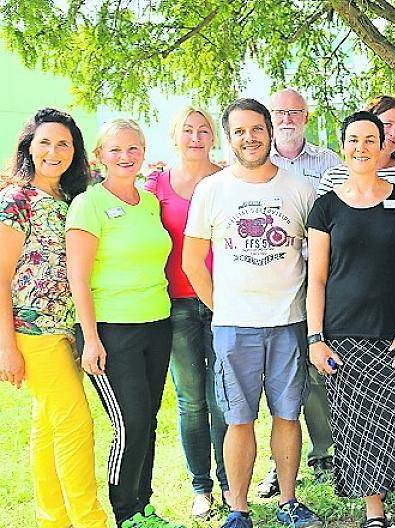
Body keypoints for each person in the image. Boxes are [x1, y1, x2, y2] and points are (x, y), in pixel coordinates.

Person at [182, 98, 321, 528]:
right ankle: (239, 509)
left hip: (288, 323)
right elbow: (192, 260)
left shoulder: (298, 188)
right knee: (238, 419)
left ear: (269, 132)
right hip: (234, 327)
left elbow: (317, 259)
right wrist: (220, 308)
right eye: (239, 131)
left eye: (257, 129)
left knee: (287, 414)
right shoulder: (213, 189)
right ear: (230, 136)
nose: (249, 138)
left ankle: (288, 501)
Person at [307, 110, 395, 528]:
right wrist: (316, 338)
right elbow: (316, 280)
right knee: (360, 424)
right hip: (344, 334)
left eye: (371, 139)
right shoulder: (325, 207)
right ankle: (374, 513)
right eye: (354, 139)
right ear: (342, 144)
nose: (362, 147)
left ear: (384, 144)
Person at [65, 119, 179, 528]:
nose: (126, 157)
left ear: (144, 153)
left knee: (147, 419)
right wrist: (91, 339)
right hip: (111, 331)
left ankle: (145, 507)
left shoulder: (148, 202)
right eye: (115, 150)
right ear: (99, 157)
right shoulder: (88, 204)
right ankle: (125, 513)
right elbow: (77, 276)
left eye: (134, 149)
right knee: (128, 423)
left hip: (156, 323)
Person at [0, 108, 108, 528]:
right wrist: (6, 346)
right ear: (29, 146)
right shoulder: (15, 200)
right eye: (45, 141)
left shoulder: (70, 200)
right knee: (74, 424)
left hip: (68, 331)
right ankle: (90, 521)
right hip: (33, 333)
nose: (54, 151)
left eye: (63, 143)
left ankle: (53, 520)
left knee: (47, 427)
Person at [144, 105, 228, 518]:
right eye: (188, 130)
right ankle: (202, 487)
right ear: (175, 137)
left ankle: (232, 482)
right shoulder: (155, 185)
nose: (196, 137)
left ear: (214, 137)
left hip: (225, 302)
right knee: (191, 398)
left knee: (224, 397)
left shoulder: (228, 178)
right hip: (176, 303)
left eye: (204, 130)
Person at [259, 87, 340, 499]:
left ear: (306, 117)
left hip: (319, 279)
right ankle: (278, 464)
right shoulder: (256, 162)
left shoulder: (329, 162)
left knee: (318, 367)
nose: (287, 119)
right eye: (279, 113)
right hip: (272, 282)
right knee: (280, 373)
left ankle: (326, 453)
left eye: (295, 112)